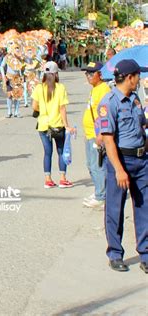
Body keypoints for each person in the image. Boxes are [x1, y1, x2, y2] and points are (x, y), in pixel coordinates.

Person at [97, 59, 147, 273]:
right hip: (121, 161)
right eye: (138, 75)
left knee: (144, 208)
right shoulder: (109, 102)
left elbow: (142, 125)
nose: (140, 79)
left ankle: (145, 253)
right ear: (129, 77)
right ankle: (115, 254)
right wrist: (118, 169)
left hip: (142, 160)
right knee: (115, 209)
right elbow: (107, 140)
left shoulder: (136, 99)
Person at [32, 61, 76, 188]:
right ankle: (63, 179)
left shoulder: (39, 88)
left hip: (43, 125)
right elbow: (62, 108)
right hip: (57, 125)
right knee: (61, 151)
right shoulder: (60, 88)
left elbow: (35, 106)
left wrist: (42, 111)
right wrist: (66, 125)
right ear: (55, 74)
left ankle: (48, 180)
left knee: (47, 153)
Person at [81, 62, 111, 208]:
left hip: (96, 135)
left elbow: (104, 116)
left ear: (100, 74)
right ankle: (99, 191)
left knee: (97, 165)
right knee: (91, 165)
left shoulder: (103, 90)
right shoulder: (95, 89)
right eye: (87, 73)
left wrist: (100, 135)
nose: (88, 76)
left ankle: (101, 196)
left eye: (91, 73)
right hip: (89, 133)